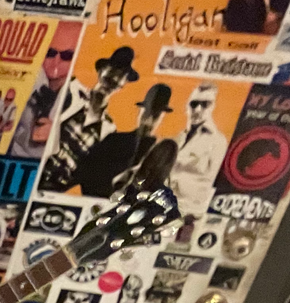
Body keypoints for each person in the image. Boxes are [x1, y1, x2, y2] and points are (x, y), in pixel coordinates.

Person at [40, 45, 138, 191]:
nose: (112, 81)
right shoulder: (73, 90)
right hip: (36, 170)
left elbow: (89, 169)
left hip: (55, 189)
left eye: (118, 80)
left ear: (121, 86)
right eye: (109, 77)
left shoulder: (109, 129)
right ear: (101, 71)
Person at [70, 83, 173, 197]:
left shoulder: (161, 154)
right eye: (146, 113)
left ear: (162, 118)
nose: (148, 120)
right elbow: (84, 171)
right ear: (139, 111)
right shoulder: (115, 140)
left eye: (155, 116)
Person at [7, 21, 81, 159]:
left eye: (67, 55)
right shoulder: (25, 77)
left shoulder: (81, 95)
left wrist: (55, 136)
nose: (56, 61)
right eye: (50, 53)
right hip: (14, 158)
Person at [171, 83, 228, 218]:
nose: (197, 109)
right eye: (194, 104)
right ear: (187, 106)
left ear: (212, 107)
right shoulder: (179, 138)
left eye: (205, 104)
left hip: (190, 212)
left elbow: (214, 182)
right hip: (165, 205)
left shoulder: (217, 142)